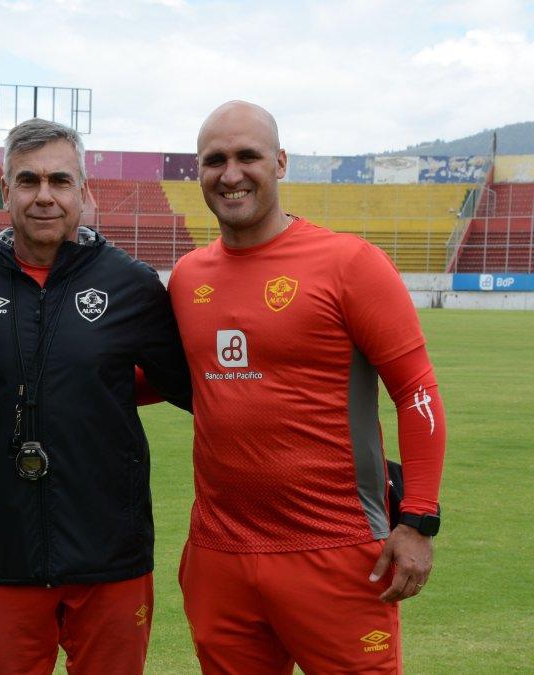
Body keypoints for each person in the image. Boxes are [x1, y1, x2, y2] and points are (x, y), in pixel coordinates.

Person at [169, 100, 446, 674]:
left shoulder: (348, 262)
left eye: (248, 156)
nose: (231, 173)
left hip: (336, 548)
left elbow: (416, 391)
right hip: (220, 555)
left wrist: (417, 521)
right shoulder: (188, 276)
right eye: (214, 159)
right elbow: (170, 378)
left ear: (281, 162)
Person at [0, 118, 192, 674]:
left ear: (83, 190)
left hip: (112, 556)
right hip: (5, 552)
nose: (44, 196)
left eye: (59, 180)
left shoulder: (132, 285)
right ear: (6, 191)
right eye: (28, 181)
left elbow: (188, 387)